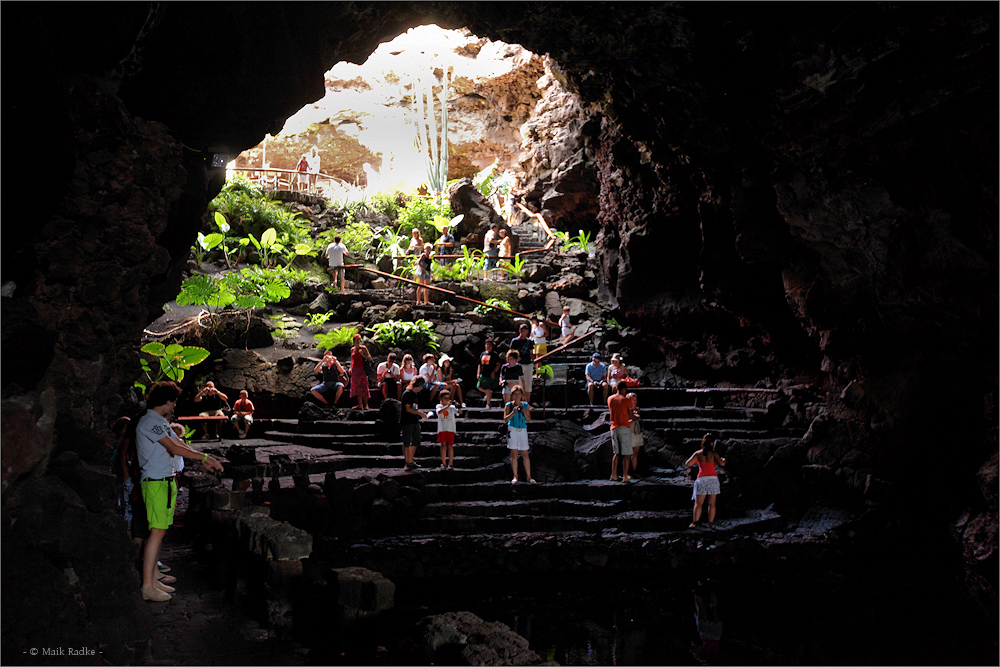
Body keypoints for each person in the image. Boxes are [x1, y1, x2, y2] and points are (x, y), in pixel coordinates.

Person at [135, 381, 224, 601]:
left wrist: (204, 458)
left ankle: (153, 578)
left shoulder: (159, 421)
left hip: (163, 480)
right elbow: (174, 448)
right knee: (156, 531)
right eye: (173, 402)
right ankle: (147, 586)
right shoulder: (149, 421)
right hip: (155, 482)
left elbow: (178, 443)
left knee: (159, 530)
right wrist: (204, 457)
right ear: (166, 402)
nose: (174, 407)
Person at [684, 433, 726, 529]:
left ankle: (695, 522)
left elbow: (688, 463)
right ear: (712, 443)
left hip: (702, 479)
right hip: (713, 480)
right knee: (712, 503)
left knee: (698, 504)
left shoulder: (698, 454)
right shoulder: (714, 454)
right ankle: (711, 523)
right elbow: (722, 463)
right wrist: (724, 459)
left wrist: (697, 461)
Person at [504, 385, 534, 484]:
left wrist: (524, 411)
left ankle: (529, 477)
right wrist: (513, 412)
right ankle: (515, 476)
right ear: (512, 395)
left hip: (522, 429)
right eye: (515, 394)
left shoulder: (525, 405)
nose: (517, 396)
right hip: (512, 429)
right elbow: (505, 419)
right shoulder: (508, 405)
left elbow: (528, 419)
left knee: (525, 453)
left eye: (519, 394)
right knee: (514, 453)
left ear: (521, 395)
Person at [608, 383, 634, 482]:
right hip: (624, 427)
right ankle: (625, 476)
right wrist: (637, 417)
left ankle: (613, 475)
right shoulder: (626, 401)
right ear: (624, 389)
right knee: (627, 454)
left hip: (614, 427)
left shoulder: (610, 399)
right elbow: (631, 416)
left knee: (616, 453)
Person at [400, 377, 426, 470]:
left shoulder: (414, 394)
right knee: (406, 441)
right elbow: (408, 408)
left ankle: (410, 460)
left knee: (416, 439)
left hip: (414, 420)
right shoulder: (408, 394)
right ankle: (407, 462)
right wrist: (420, 413)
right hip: (407, 420)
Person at [435, 389, 461, 470]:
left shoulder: (452, 407)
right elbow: (439, 412)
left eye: (448, 398)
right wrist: (447, 406)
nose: (447, 400)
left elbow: (459, 412)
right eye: (445, 398)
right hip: (442, 428)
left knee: (450, 445)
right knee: (443, 445)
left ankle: (451, 463)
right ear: (441, 399)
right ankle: (443, 463)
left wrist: (458, 406)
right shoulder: (439, 406)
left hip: (450, 429)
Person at [509, 323, 535, 404]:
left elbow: (531, 353)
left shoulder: (529, 341)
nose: (525, 332)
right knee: (519, 384)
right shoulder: (515, 341)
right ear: (520, 331)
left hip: (528, 364)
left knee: (528, 385)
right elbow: (511, 352)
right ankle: (517, 402)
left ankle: (527, 403)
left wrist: (533, 362)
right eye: (524, 331)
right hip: (519, 365)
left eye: (526, 331)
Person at [349, 333, 372, 410]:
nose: (358, 342)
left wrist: (362, 354)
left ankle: (366, 404)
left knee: (363, 386)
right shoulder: (352, 349)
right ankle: (360, 404)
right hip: (354, 370)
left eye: (359, 340)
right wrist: (350, 368)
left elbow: (369, 358)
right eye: (356, 340)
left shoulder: (363, 348)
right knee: (357, 388)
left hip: (361, 369)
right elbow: (352, 360)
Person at [476, 338, 500, 409]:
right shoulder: (483, 353)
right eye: (486, 345)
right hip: (483, 374)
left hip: (490, 375)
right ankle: (488, 393)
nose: (487, 346)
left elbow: (498, 364)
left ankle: (488, 404)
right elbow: (479, 364)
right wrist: (478, 373)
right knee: (479, 386)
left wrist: (494, 371)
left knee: (488, 388)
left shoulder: (494, 354)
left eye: (489, 345)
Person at [627, 392, 643, 477]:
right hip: (630, 432)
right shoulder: (627, 410)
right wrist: (633, 418)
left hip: (637, 432)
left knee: (635, 453)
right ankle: (627, 472)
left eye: (635, 400)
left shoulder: (635, 409)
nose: (634, 401)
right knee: (628, 454)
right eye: (632, 400)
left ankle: (634, 470)